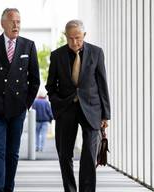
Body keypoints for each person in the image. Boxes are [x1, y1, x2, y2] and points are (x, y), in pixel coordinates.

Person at [0, 8, 40, 192]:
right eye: (12, 21)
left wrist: (26, 105)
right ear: (2, 23)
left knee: (12, 153)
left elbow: (34, 80)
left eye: (19, 21)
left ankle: (8, 188)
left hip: (17, 109)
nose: (16, 25)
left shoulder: (28, 45)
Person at [45, 20, 111, 192]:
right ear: (65, 36)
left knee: (89, 154)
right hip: (65, 109)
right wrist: (57, 104)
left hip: (92, 109)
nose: (75, 42)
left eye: (78, 38)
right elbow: (50, 86)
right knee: (65, 155)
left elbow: (102, 84)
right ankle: (70, 189)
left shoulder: (96, 53)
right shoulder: (57, 55)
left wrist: (105, 115)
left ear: (85, 35)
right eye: (71, 38)